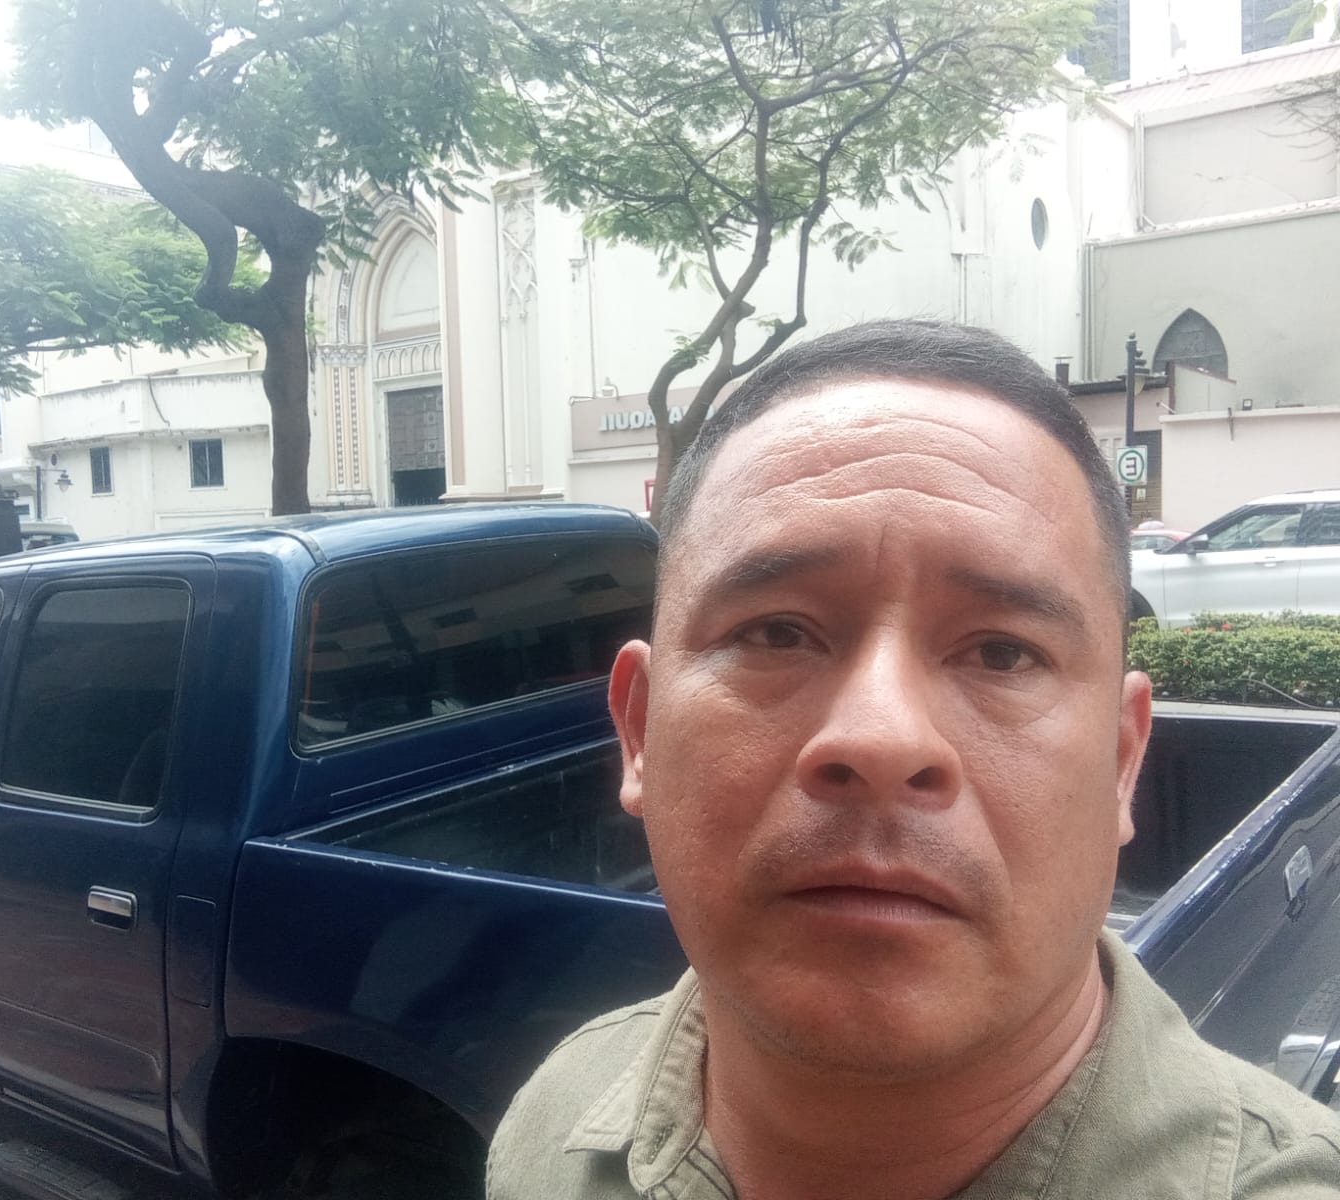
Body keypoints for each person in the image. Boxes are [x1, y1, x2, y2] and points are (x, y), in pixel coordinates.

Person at [487, 320, 1340, 1199]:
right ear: (640, 729)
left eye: (1002, 653)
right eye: (778, 633)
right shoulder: (555, 1124)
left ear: (1123, 760)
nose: (880, 739)